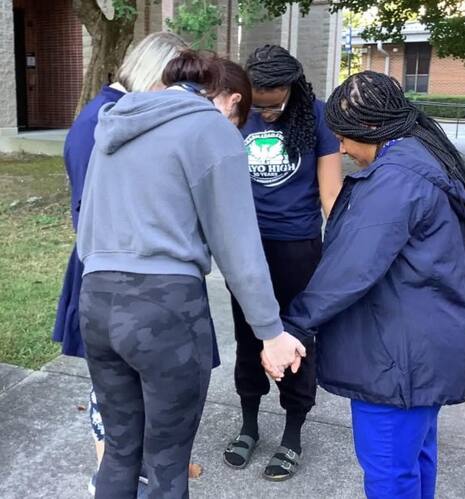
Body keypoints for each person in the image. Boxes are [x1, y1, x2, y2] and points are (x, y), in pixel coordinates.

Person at [77, 49, 305, 499]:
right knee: (166, 465)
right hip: (164, 309)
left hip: (97, 300)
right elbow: (238, 245)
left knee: (119, 453)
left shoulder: (116, 122)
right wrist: (271, 332)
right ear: (233, 100)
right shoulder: (211, 128)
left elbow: (87, 225)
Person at [266, 70, 465, 498]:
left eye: (343, 138)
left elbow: (352, 265)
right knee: (414, 460)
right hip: (424, 347)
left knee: (389, 473)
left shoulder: (396, 179)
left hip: (398, 360)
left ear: (370, 127)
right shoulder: (421, 155)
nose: (342, 149)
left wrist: (294, 327)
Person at [51, 31, 204, 496]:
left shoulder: (122, 113)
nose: (181, 95)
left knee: (132, 416)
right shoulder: (103, 120)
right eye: (177, 82)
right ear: (156, 71)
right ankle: (113, 475)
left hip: (121, 276)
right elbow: (90, 210)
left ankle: (126, 473)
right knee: (114, 422)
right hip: (112, 274)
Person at [222, 45, 342, 481]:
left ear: (292, 89)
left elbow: (331, 194)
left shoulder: (317, 116)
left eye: (276, 106)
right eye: (260, 107)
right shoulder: (234, 112)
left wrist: (340, 252)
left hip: (298, 249)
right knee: (248, 337)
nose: (267, 114)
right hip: (246, 248)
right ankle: (249, 425)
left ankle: (292, 434)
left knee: (296, 341)